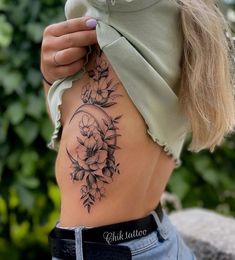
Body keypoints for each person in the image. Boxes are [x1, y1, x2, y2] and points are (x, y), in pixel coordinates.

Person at [40, 0, 235, 259]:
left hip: (103, 250)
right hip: (162, 241)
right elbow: (70, 134)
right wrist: (52, 79)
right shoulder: (166, 17)